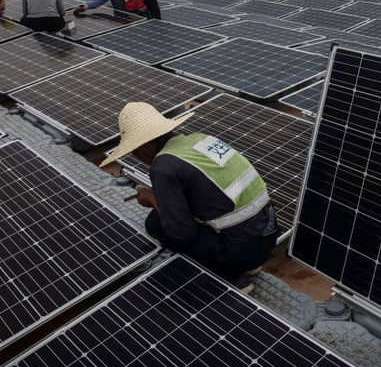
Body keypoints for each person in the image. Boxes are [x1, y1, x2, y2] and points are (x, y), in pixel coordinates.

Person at [100, 102, 279, 292]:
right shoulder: (198, 140)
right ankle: (248, 263)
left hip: (242, 251)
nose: (137, 157)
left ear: (144, 146)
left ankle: (228, 275)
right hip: (269, 235)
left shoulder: (163, 167)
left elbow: (181, 231)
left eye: (134, 151)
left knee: (156, 224)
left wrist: (152, 199)